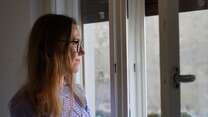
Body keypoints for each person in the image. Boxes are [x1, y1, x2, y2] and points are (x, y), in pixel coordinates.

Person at [9, 14, 90, 117]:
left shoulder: (78, 93)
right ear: (51, 48)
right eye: (75, 42)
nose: (82, 51)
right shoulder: (24, 104)